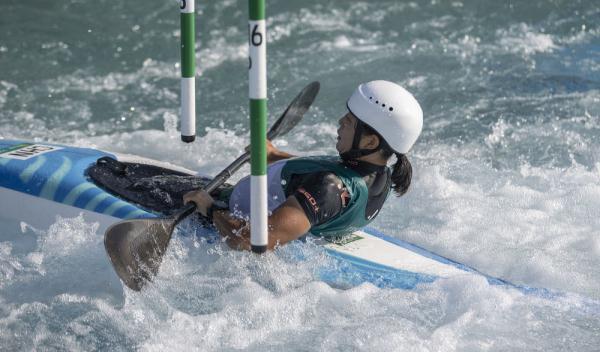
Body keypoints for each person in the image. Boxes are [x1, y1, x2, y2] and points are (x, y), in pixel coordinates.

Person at [183, 80, 423, 251]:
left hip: (225, 214)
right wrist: (274, 154)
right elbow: (323, 175)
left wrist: (211, 209)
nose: (340, 123)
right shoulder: (380, 172)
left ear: (370, 140)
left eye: (349, 122)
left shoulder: (328, 190)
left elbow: (255, 241)